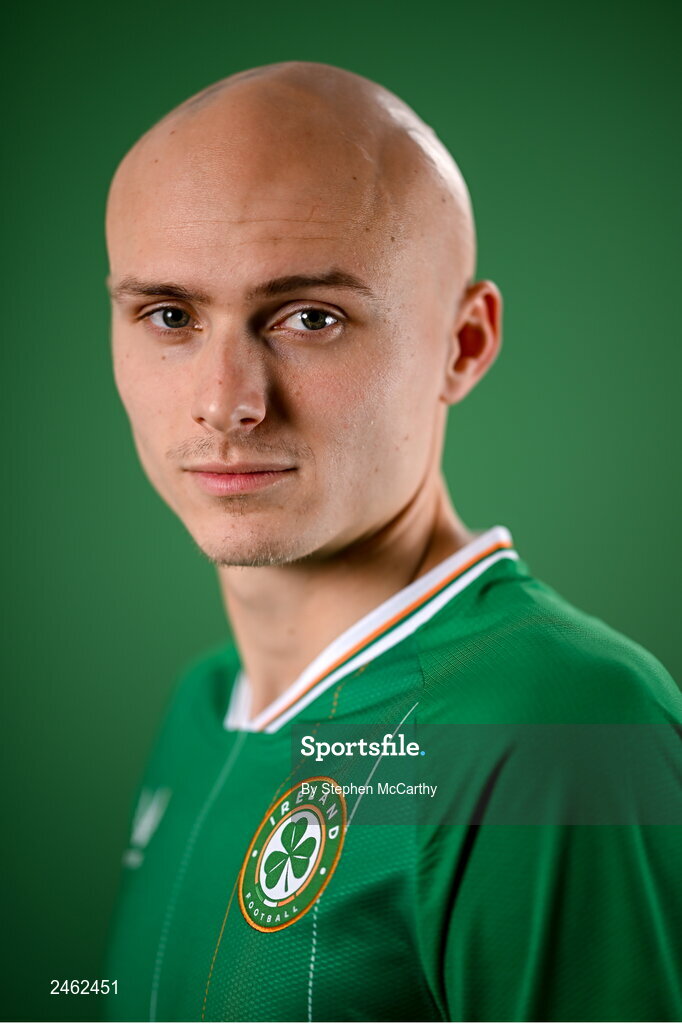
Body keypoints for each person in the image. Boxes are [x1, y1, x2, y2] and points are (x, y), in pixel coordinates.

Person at [103, 61, 682, 1023]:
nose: (225, 403)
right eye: (170, 315)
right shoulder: (204, 706)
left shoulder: (559, 732)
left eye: (310, 318)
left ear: (463, 344)